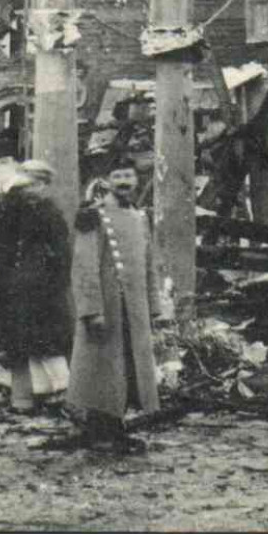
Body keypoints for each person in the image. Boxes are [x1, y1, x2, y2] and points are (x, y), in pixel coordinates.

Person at [68, 161, 174, 450]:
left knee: (127, 368)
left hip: (134, 309)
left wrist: (155, 307)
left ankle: (116, 428)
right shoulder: (94, 216)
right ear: (107, 179)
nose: (124, 181)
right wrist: (92, 309)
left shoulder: (140, 218)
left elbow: (149, 266)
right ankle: (98, 430)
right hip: (107, 307)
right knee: (101, 369)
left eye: (129, 175)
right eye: (118, 176)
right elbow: (84, 266)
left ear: (137, 179)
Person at [0, 160, 73, 414]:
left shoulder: (48, 210)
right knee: (24, 340)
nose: (30, 190)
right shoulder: (15, 206)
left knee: (47, 340)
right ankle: (34, 394)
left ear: (44, 185)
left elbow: (60, 251)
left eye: (35, 184)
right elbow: (3, 242)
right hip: (18, 283)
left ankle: (62, 391)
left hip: (42, 284)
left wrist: (56, 280)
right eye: (27, 184)